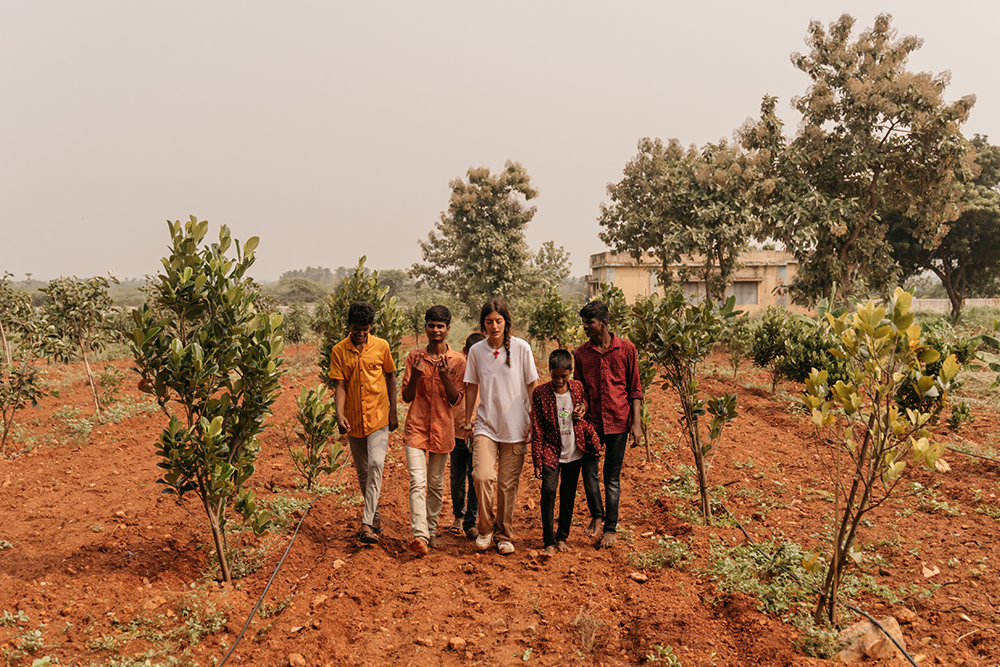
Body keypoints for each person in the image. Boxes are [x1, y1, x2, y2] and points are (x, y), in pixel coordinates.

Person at [464, 297, 539, 555]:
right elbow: (471, 386)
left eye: (498, 321)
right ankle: (485, 529)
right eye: (489, 322)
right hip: (486, 424)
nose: (494, 326)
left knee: (508, 485)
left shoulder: (521, 348)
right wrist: (467, 420)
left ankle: (504, 534)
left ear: (506, 322)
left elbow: (531, 385)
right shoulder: (476, 352)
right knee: (482, 476)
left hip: (516, 426)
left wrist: (533, 418)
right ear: (483, 325)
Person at [574, 300, 643, 549]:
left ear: (603, 324)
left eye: (589, 322)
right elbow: (579, 389)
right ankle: (597, 514)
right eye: (583, 322)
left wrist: (637, 424)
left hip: (619, 420)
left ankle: (610, 529)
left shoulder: (626, 349)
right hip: (592, 422)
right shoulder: (581, 354)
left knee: (611, 476)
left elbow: (635, 388)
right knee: (589, 470)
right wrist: (580, 404)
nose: (585, 326)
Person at [330, 301, 399, 545]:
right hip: (354, 420)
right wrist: (339, 414)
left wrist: (393, 410)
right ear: (349, 325)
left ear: (371, 327)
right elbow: (339, 385)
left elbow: (390, 376)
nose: (361, 334)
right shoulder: (339, 350)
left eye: (366, 330)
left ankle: (366, 523)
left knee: (376, 465)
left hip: (378, 416)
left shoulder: (381, 346)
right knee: (362, 472)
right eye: (357, 329)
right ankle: (376, 516)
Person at [400, 305, 466, 556]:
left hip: (443, 430)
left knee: (436, 483)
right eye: (431, 325)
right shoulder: (413, 358)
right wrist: (416, 375)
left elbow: (455, 400)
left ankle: (431, 529)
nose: (435, 330)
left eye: (440, 326)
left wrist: (445, 377)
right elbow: (406, 396)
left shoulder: (458, 361)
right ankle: (420, 536)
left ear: (448, 329)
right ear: (425, 328)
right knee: (418, 481)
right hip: (416, 428)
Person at [530, 349, 602, 556]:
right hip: (551, 451)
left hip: (574, 451)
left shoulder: (577, 388)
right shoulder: (540, 393)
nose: (559, 380)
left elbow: (586, 400)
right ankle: (548, 541)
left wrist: (583, 408)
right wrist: (537, 457)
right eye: (555, 376)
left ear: (570, 372)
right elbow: (538, 427)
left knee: (568, 495)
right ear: (549, 371)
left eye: (564, 376)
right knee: (548, 492)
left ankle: (562, 537)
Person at [449, 332, 485, 540]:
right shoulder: (457, 371)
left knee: (475, 476)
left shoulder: (488, 372)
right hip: (455, 431)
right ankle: (458, 515)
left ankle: (471, 519)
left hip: (479, 433)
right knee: (457, 476)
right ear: (465, 352)